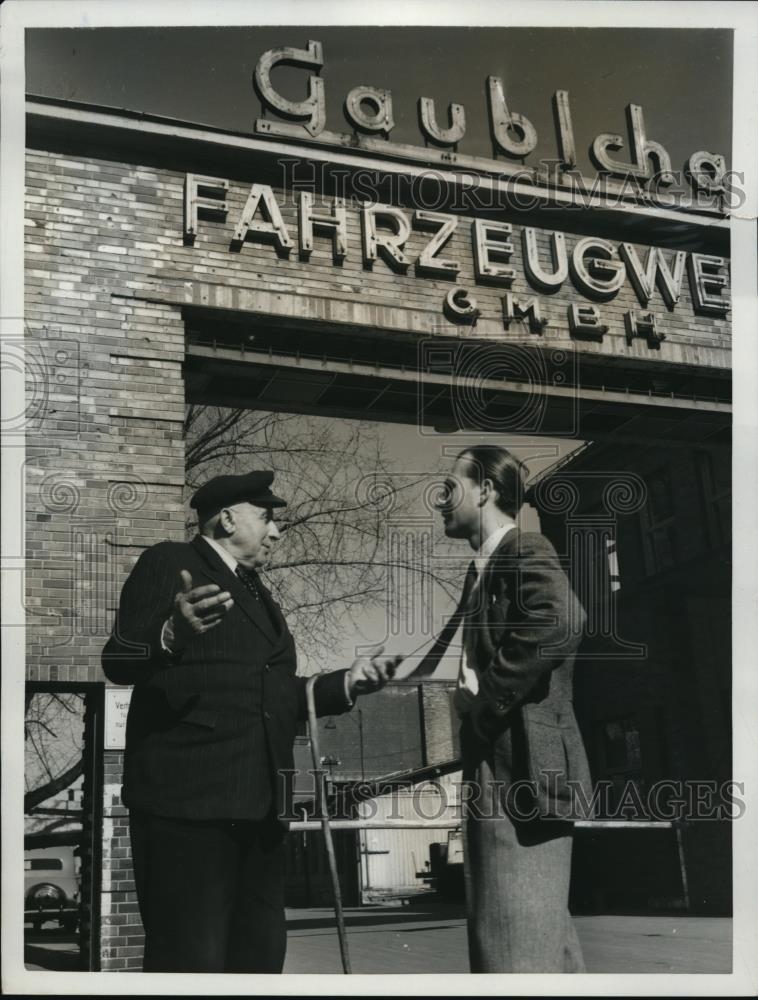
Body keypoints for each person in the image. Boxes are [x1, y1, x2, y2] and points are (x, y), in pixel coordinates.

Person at [102, 470, 398, 973]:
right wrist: (170, 633)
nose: (276, 532)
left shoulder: (258, 592)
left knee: (258, 963)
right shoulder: (169, 561)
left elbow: (275, 691)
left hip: (260, 811)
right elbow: (118, 658)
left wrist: (346, 683)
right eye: (267, 518)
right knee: (190, 965)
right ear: (227, 517)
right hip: (188, 811)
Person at [434, 445, 592, 973]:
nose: (440, 500)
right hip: (499, 760)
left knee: (513, 951)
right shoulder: (483, 568)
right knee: (536, 943)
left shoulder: (523, 547)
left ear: (485, 490)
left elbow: (561, 619)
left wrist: (486, 706)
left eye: (450, 487)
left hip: (520, 764)